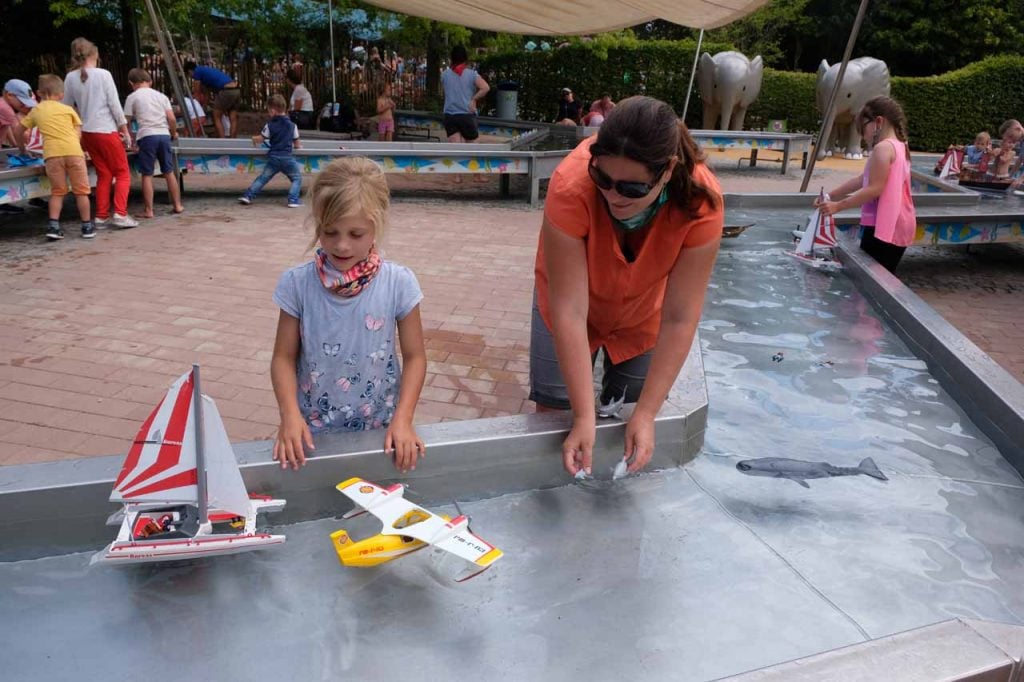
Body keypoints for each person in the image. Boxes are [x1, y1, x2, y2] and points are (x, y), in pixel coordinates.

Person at [532, 96, 723, 477]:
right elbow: (569, 308)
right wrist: (583, 416)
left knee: (632, 417)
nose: (613, 196)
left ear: (667, 170)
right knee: (557, 417)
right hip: (566, 307)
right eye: (603, 180)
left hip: (642, 316)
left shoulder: (702, 204)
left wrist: (648, 413)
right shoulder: (571, 185)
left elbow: (681, 316)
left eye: (632, 188)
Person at [269, 157, 427, 472]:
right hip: (312, 434)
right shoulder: (298, 284)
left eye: (355, 234)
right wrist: (289, 416)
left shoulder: (399, 283)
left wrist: (404, 419)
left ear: (377, 225)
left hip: (381, 430)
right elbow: (283, 358)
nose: (341, 245)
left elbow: (415, 357)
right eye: (330, 232)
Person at [817, 96, 916, 274]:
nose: (862, 137)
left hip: (886, 223)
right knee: (883, 275)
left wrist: (837, 206)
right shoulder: (901, 145)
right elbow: (863, 179)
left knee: (872, 279)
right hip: (901, 221)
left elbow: (874, 188)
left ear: (878, 122)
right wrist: (830, 196)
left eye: (863, 129)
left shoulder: (883, 148)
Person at [63, 37, 138, 228]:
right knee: (122, 173)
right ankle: (120, 214)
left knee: (103, 174)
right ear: (94, 54)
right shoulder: (103, 75)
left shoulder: (70, 77)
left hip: (87, 133)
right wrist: (124, 129)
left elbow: (67, 108)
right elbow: (114, 104)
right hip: (106, 129)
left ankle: (101, 215)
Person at [14, 75, 94, 241]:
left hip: (52, 155)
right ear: (62, 95)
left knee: (57, 192)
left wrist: (22, 148)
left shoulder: (37, 110)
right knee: (81, 192)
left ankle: (54, 226)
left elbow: (18, 130)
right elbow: (78, 133)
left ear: (38, 93)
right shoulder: (69, 110)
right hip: (74, 153)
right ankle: (86, 226)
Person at [123, 68, 184, 218]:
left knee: (147, 174)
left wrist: (129, 139)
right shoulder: (161, 96)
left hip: (147, 136)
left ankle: (149, 210)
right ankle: (177, 205)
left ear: (131, 83)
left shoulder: (132, 97)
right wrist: (173, 132)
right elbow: (171, 119)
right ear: (150, 81)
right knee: (169, 171)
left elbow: (126, 121)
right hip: (163, 135)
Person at [238, 95, 303, 207]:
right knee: (297, 178)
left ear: (273, 111)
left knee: (263, 178)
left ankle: (248, 196)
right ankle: (293, 200)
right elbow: (297, 144)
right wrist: (299, 146)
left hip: (274, 158)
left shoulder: (269, 125)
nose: (269, 114)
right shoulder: (293, 126)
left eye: (268, 111)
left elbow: (261, 139)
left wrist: (254, 138)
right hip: (287, 159)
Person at [441, 44, 489, 143]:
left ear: (452, 58)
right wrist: (474, 99)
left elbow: (445, 93)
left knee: (455, 149)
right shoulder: (472, 74)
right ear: (465, 58)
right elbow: (485, 88)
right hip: (466, 115)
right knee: (472, 148)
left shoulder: (444, 75)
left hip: (450, 115)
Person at [183, 60, 240, 138]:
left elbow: (196, 93)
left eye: (189, 75)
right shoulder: (205, 72)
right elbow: (207, 95)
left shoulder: (197, 72)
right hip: (236, 89)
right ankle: (233, 140)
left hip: (226, 91)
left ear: (190, 71)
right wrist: (205, 106)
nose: (191, 77)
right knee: (233, 117)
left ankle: (223, 141)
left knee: (216, 115)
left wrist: (197, 106)